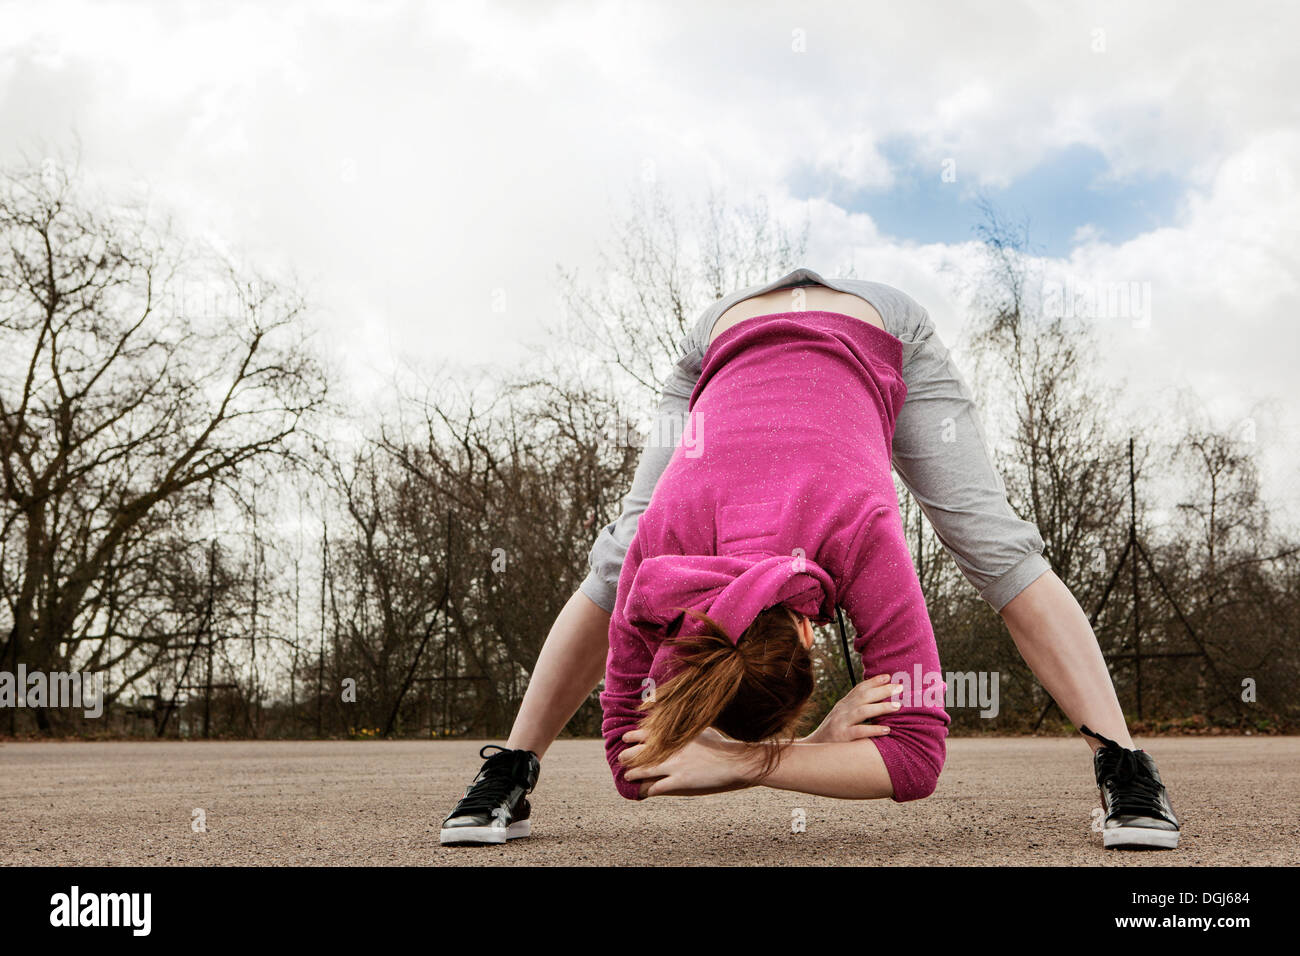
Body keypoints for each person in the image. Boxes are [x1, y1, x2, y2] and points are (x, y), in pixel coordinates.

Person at [438, 267, 1180, 849]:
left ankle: (1124, 760)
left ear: (797, 635)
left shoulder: (850, 531)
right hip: (724, 338)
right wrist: (796, 751)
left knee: (993, 543)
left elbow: (918, 760)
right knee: (612, 560)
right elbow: (634, 771)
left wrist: (753, 759)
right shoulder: (660, 556)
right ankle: (512, 762)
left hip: (878, 331)